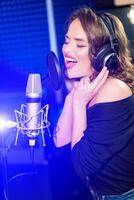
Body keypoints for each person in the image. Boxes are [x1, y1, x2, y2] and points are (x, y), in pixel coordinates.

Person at [53, 6, 134, 200]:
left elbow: (82, 165)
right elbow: (60, 140)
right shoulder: (85, 86)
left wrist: (79, 104)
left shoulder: (114, 89)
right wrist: (72, 97)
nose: (66, 50)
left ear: (102, 53)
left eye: (79, 45)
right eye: (66, 41)